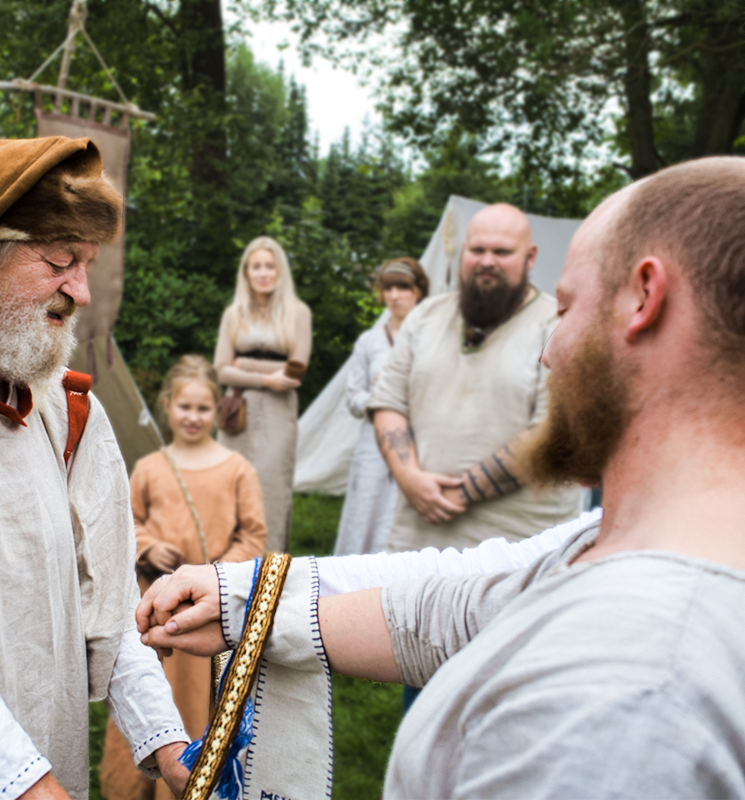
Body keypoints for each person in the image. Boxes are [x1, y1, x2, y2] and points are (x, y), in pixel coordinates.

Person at [141, 156, 745, 798]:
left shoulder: (635, 693)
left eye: (567, 308)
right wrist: (245, 597)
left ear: (644, 296)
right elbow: (461, 600)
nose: (549, 352)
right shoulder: (613, 540)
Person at [0, 137, 190, 800]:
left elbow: (110, 596)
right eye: (59, 260)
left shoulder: (68, 408)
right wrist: (27, 788)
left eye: (86, 264)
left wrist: (170, 745)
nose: (78, 290)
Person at [370, 203, 582, 553]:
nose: (487, 261)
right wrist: (409, 478)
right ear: (463, 251)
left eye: (501, 252)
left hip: (517, 553)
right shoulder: (425, 316)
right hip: (416, 544)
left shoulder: (560, 325)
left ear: (530, 257)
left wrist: (457, 494)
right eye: (477, 250)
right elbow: (388, 402)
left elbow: (552, 429)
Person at [100, 355, 266, 800]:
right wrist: (149, 546)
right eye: (185, 407)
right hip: (157, 610)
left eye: (203, 408)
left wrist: (217, 575)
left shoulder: (237, 470)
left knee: (198, 700)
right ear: (167, 406)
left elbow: (253, 536)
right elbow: (127, 523)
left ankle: (196, 777)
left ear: (217, 410)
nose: (193, 417)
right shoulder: (150, 468)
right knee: (149, 691)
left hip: (210, 614)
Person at [214, 237, 312, 552]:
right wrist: (267, 378)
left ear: (280, 271)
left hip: (277, 413)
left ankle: (270, 574)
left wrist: (245, 364)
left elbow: (296, 371)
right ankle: (226, 571)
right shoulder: (234, 314)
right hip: (237, 411)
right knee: (231, 489)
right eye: (256, 266)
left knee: (272, 491)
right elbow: (221, 370)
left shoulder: (298, 312)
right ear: (246, 272)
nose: (263, 273)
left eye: (270, 266)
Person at [334, 258, 429, 556]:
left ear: (418, 291)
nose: (394, 296)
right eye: (388, 288)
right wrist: (380, 397)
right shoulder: (369, 341)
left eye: (403, 287)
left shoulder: (432, 338)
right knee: (366, 512)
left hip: (419, 441)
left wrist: (405, 389)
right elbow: (353, 397)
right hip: (372, 443)